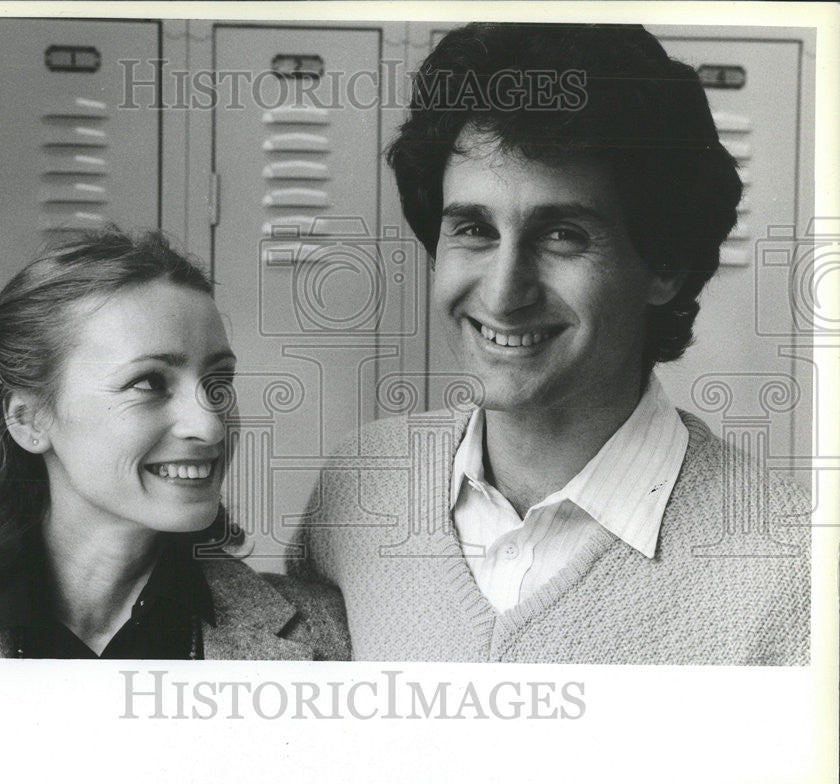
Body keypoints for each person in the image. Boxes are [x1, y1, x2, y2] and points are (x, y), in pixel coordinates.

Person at [288, 22, 810, 664]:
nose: (504, 294)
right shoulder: (360, 485)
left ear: (664, 264)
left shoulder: (793, 566)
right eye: (474, 229)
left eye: (562, 235)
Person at [0, 228, 349, 660]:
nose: (211, 426)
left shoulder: (334, 637)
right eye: (148, 383)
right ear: (29, 419)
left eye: (218, 381)